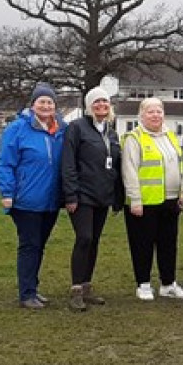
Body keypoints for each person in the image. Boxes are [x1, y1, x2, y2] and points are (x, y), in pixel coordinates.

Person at [0, 83, 67, 309]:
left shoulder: (61, 130)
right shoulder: (17, 129)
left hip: (51, 201)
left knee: (39, 245)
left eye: (50, 102)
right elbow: (5, 163)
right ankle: (26, 294)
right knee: (29, 245)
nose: (46, 106)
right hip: (26, 200)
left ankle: (33, 288)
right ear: (33, 105)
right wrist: (7, 192)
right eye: (41, 102)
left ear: (55, 106)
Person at [121, 97, 183, 301]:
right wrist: (135, 199)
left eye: (159, 111)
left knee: (168, 243)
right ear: (141, 115)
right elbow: (129, 170)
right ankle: (143, 284)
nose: (155, 115)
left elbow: (179, 165)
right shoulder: (134, 138)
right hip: (144, 201)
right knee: (142, 244)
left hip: (170, 199)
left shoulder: (170, 135)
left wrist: (182, 192)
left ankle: (168, 284)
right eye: (150, 111)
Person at [61, 85, 122, 312]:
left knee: (94, 240)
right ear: (89, 106)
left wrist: (117, 196)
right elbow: (68, 163)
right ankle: (76, 290)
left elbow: (115, 166)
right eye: (96, 102)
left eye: (104, 102)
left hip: (102, 196)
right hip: (81, 195)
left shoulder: (111, 132)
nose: (101, 106)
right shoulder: (77, 128)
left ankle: (87, 287)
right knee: (84, 238)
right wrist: (70, 194)